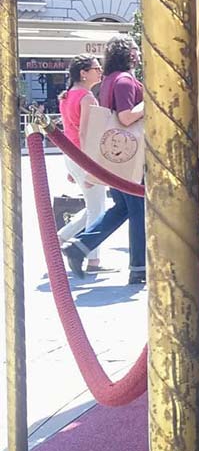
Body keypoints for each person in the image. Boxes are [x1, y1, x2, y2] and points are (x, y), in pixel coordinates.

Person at [63, 35, 146, 285]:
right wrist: (150, 102)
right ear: (128, 54)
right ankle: (138, 268)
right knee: (138, 210)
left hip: (115, 155)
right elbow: (126, 117)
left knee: (122, 207)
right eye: (135, 50)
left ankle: (80, 246)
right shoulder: (123, 80)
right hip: (129, 155)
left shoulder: (110, 80)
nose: (139, 54)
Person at [57, 56, 105, 271]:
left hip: (72, 155)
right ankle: (92, 258)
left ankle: (63, 236)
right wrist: (89, 165)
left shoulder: (66, 96)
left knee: (93, 205)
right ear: (83, 73)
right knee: (97, 209)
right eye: (96, 67)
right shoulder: (86, 98)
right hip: (85, 156)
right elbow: (87, 132)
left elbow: (69, 131)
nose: (100, 70)